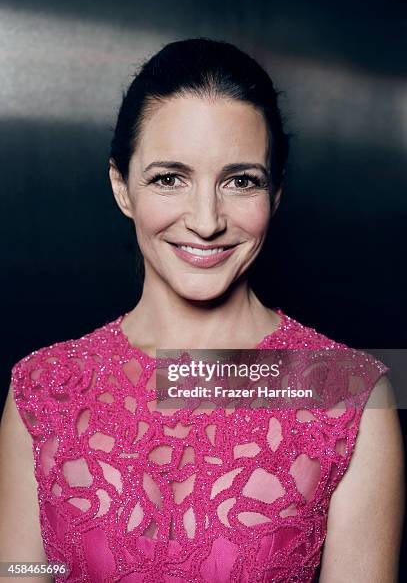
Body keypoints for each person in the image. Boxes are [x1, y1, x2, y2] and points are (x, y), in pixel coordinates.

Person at [0, 38, 404, 583]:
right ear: (123, 187)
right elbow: (21, 569)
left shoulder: (345, 392)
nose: (206, 220)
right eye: (170, 178)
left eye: (241, 181)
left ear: (275, 195)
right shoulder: (44, 387)